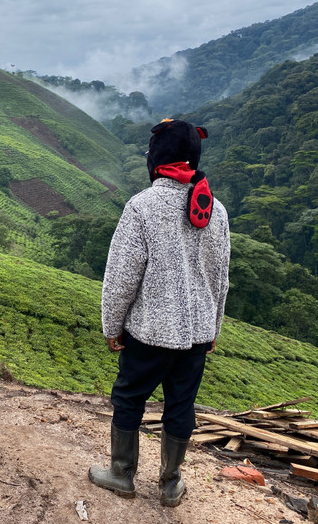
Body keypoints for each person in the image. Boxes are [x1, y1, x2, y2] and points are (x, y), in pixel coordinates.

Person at [88, 119, 231, 508]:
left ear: (157, 159)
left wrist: (111, 326)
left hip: (149, 333)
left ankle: (121, 474)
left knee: (130, 397)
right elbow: (221, 279)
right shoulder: (215, 210)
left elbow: (121, 277)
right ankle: (170, 483)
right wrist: (213, 326)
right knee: (181, 406)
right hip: (198, 336)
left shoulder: (142, 207)